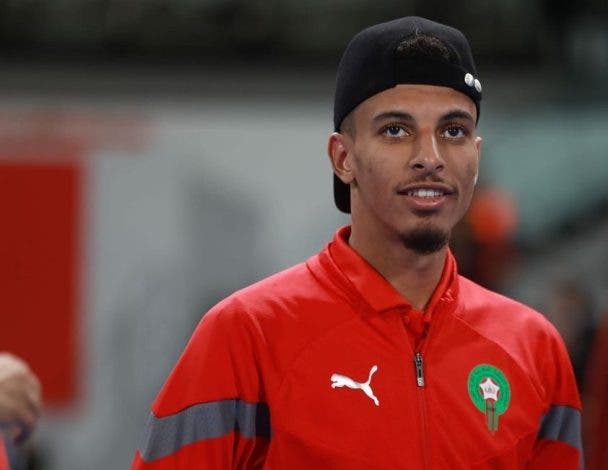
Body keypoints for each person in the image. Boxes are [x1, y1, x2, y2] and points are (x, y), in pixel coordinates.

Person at [133, 16, 582, 469]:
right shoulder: (245, 335)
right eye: (396, 130)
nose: (430, 158)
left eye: (453, 131)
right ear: (343, 157)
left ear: (476, 156)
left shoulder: (535, 350)